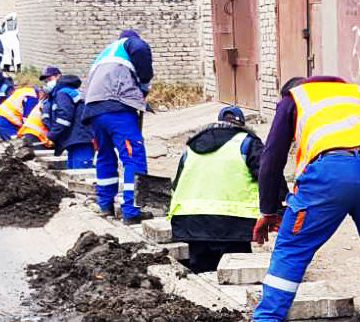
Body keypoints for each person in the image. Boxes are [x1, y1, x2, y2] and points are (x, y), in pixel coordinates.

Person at [245, 76, 360, 322]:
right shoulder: (353, 94)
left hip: (330, 172)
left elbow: (271, 158)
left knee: (293, 246)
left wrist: (268, 211)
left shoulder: (294, 99)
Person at [165, 106, 265, 273]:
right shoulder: (247, 143)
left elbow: (177, 184)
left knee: (202, 273)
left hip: (191, 220)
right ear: (241, 124)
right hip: (234, 221)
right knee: (236, 273)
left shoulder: (192, 146)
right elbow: (267, 176)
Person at [79, 30, 154, 224]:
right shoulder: (130, 44)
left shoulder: (105, 53)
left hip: (93, 110)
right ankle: (131, 211)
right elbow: (139, 47)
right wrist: (144, 85)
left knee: (105, 155)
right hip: (117, 107)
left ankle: (105, 206)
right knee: (133, 158)